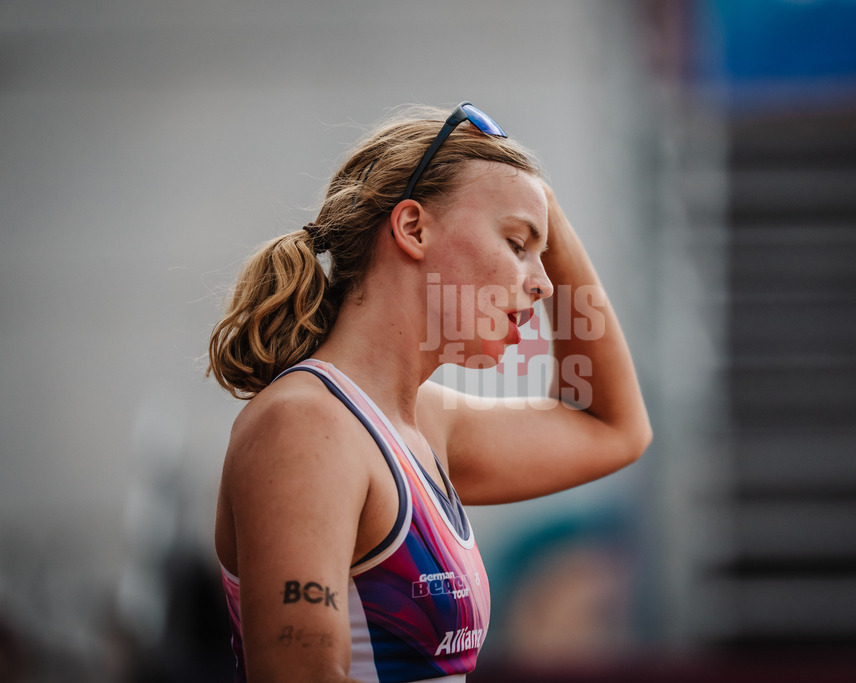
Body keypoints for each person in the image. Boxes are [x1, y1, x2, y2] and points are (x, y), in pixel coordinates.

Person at [207, 101, 652, 683]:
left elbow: (612, 427)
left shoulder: (424, 423)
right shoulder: (306, 425)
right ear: (413, 228)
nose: (544, 284)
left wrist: (548, 217)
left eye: (542, 257)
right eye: (517, 244)